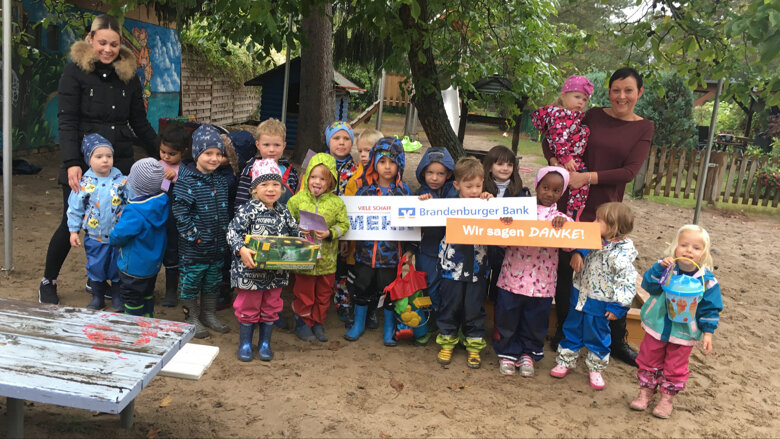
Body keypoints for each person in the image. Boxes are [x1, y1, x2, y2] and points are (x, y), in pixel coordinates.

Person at [40, 13, 158, 305]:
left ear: (120, 45)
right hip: (84, 160)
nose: (107, 49)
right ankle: (48, 280)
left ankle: (101, 280)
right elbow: (66, 120)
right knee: (72, 221)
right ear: (91, 40)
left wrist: (165, 156)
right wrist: (71, 162)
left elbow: (139, 122)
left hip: (120, 162)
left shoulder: (129, 75)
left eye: (114, 44)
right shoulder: (74, 72)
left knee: (118, 223)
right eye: (102, 42)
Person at [545, 67, 654, 367]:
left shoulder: (644, 127)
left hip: (606, 210)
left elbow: (629, 171)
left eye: (628, 90)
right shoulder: (590, 114)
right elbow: (554, 134)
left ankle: (616, 340)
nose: (621, 96)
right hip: (572, 203)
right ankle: (565, 335)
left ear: (638, 93)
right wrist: (555, 161)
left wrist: (588, 177)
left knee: (610, 271)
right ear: (609, 91)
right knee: (570, 269)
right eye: (616, 89)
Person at [631, 225, 722, 418]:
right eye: (684, 245)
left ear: (704, 252)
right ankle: (645, 391)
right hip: (658, 325)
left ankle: (667, 398)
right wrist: (659, 268)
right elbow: (649, 286)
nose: (689, 250)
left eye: (696, 248)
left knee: (675, 366)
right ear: (675, 247)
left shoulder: (706, 280)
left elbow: (710, 307)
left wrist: (708, 333)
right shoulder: (667, 269)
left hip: (684, 331)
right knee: (649, 358)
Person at [550, 202, 637, 390]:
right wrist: (578, 253)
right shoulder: (592, 237)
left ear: (613, 227)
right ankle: (565, 360)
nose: (593, 222)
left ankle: (595, 368)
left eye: (598, 220)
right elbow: (581, 242)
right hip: (580, 294)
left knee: (598, 335)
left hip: (601, 302)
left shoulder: (622, 253)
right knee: (571, 328)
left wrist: (619, 306)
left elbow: (626, 281)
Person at [493, 166, 571, 377]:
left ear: (561, 193)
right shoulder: (518, 211)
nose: (549, 194)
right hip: (512, 278)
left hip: (541, 284)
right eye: (545, 187)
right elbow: (498, 241)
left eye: (556, 190)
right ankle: (508, 353)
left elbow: (570, 245)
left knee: (535, 320)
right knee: (507, 317)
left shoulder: (562, 218)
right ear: (537, 186)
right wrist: (506, 224)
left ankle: (529, 353)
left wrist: (564, 226)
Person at [227, 159, 303, 361]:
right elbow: (232, 231)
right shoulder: (247, 210)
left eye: (276, 184)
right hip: (250, 272)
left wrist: (306, 247)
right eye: (264, 184)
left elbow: (296, 234)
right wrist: (241, 249)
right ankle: (245, 343)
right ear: (254, 189)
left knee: (271, 306)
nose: (271, 189)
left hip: (276, 272)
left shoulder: (284, 212)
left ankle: (265, 343)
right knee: (248, 307)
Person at [344, 137, 412, 343]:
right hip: (364, 254)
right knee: (362, 287)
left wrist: (409, 250)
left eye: (392, 162)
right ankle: (358, 324)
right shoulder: (364, 191)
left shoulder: (404, 193)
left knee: (389, 291)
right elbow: (351, 219)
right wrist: (347, 240)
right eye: (382, 162)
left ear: (399, 163)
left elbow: (412, 223)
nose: (387, 167)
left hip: (391, 256)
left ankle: (389, 328)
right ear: (374, 162)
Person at [173, 125, 231, 338]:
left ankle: (208, 314)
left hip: (217, 247)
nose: (214, 158)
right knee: (190, 283)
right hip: (194, 249)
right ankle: (191, 318)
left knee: (212, 282)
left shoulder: (221, 181)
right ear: (197, 153)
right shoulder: (186, 181)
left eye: (218, 154)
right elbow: (180, 214)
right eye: (208, 153)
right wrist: (194, 238)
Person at [436, 156, 494, 369]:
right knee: (449, 306)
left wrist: (491, 201)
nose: (474, 190)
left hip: (477, 268)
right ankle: (447, 341)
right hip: (452, 267)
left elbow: (500, 221)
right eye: (469, 186)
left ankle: (474, 346)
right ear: (457, 185)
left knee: (474, 308)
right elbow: (427, 215)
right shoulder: (447, 205)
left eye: (478, 186)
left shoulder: (487, 204)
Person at [287, 153, 349, 342]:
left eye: (322, 178)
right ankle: (304, 323)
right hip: (304, 259)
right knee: (304, 293)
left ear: (331, 181)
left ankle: (318, 322)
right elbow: (286, 221)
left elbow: (344, 225)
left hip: (327, 261)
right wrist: (297, 230)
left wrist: (330, 232)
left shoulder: (336, 203)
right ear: (307, 178)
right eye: (313, 177)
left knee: (323, 294)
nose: (317, 182)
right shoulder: (297, 200)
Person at [66, 134, 128, 311]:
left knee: (118, 267)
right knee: (95, 267)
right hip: (95, 236)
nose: (105, 160)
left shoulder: (121, 180)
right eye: (99, 157)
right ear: (88, 159)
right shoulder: (84, 183)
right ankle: (98, 297)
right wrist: (73, 231)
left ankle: (117, 298)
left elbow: (131, 202)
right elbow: (75, 208)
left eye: (109, 156)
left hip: (118, 236)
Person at [481, 145, 532, 341]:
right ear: (489, 166)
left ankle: (498, 327)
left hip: (507, 252)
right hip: (483, 248)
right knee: (478, 289)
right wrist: (480, 198)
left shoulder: (520, 192)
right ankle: (476, 324)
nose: (504, 168)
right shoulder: (481, 188)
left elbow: (525, 220)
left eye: (509, 164)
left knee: (500, 291)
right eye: (499, 163)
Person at [337, 128, 383, 327]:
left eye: (369, 150)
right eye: (361, 151)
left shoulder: (387, 180)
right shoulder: (354, 179)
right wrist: (346, 239)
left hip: (379, 244)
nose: (364, 155)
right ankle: (354, 309)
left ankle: (372, 311)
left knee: (375, 278)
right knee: (354, 277)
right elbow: (347, 211)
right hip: (356, 242)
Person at [109, 158, 168, 317]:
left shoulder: (134, 210)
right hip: (153, 264)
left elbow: (119, 236)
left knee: (132, 299)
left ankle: (133, 326)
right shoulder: (163, 200)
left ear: (136, 185)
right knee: (147, 293)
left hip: (133, 266)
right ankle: (149, 320)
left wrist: (112, 235)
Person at [532, 75, 594, 219]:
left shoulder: (573, 115)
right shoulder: (559, 115)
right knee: (565, 189)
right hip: (567, 160)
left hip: (573, 159)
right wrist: (565, 158)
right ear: (563, 95)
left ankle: (572, 215)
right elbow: (557, 137)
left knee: (579, 189)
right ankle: (568, 215)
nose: (581, 102)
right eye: (577, 96)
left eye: (584, 99)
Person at [413, 147, 457, 319]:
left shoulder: (455, 192)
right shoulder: (419, 194)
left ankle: (444, 318)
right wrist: (422, 203)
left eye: (440, 173)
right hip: (427, 250)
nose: (434, 177)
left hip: (452, 250)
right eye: (430, 172)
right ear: (423, 172)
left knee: (447, 285)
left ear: (449, 174)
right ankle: (428, 318)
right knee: (428, 284)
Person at [234, 118, 299, 212]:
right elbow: (241, 202)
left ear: (284, 145)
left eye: (277, 145)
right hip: (255, 223)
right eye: (266, 145)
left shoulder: (290, 171)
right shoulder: (250, 170)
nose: (271, 149)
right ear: (258, 145)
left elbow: (294, 201)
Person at [158, 123, 190, 307]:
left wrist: (174, 180)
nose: (166, 157)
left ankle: (171, 290)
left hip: (173, 221)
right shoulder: (155, 165)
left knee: (172, 254)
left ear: (183, 152)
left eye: (171, 154)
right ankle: (147, 286)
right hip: (154, 218)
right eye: (163, 152)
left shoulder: (185, 171)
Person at [325, 121, 357, 196]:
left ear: (351, 143)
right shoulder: (318, 165)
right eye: (336, 138)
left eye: (346, 138)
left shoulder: (357, 170)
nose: (342, 142)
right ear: (328, 141)